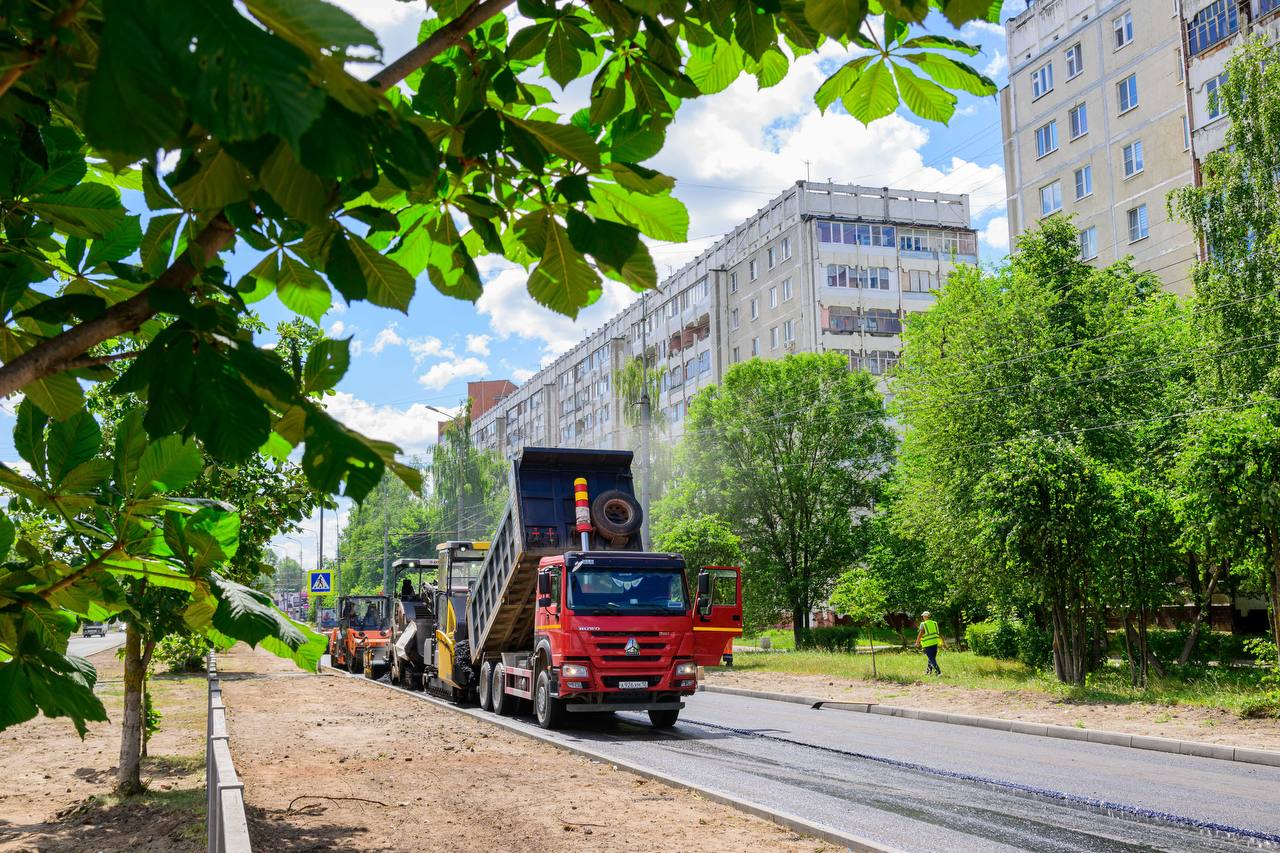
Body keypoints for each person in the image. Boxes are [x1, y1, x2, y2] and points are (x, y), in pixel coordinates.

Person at [915, 611, 943, 675]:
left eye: (923, 616)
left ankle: (938, 672)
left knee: (931, 658)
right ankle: (928, 672)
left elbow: (921, 633)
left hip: (927, 644)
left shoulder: (923, 624)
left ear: (925, 617)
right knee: (931, 658)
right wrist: (943, 642)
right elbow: (938, 633)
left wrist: (917, 642)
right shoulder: (935, 623)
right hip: (935, 643)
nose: (922, 617)